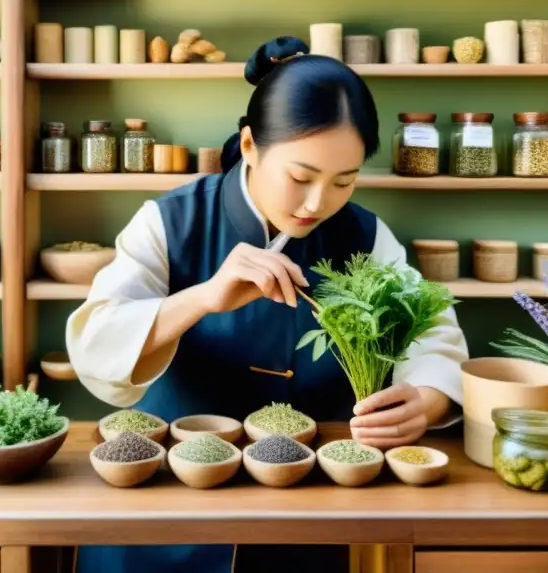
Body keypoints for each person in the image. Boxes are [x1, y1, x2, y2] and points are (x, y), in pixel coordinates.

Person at [67, 36, 469, 573]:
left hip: (309, 508)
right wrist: (203, 298)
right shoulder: (170, 222)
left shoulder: (367, 237)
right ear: (251, 145)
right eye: (300, 177)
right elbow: (96, 346)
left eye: (343, 182)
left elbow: (433, 333)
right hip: (167, 505)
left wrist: (429, 398)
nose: (315, 204)